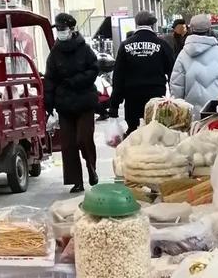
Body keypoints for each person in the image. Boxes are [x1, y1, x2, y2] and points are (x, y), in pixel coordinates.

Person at [44, 12, 100, 194]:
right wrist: (48, 101)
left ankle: (91, 168)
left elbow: (94, 69)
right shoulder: (55, 53)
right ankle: (76, 181)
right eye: (58, 29)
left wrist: (76, 81)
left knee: (83, 139)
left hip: (84, 102)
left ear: (71, 29)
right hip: (64, 104)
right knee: (68, 145)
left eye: (62, 28)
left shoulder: (84, 49)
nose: (60, 32)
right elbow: (50, 78)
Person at [109, 11, 173, 132]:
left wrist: (114, 105)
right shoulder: (162, 44)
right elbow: (172, 72)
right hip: (156, 96)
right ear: (153, 25)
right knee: (156, 132)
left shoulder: (125, 45)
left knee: (134, 134)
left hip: (133, 97)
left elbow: (118, 77)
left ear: (136, 23)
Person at [168, 14, 218, 114]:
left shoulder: (183, 55)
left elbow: (176, 88)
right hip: (216, 113)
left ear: (191, 30)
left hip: (191, 115)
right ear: (210, 30)